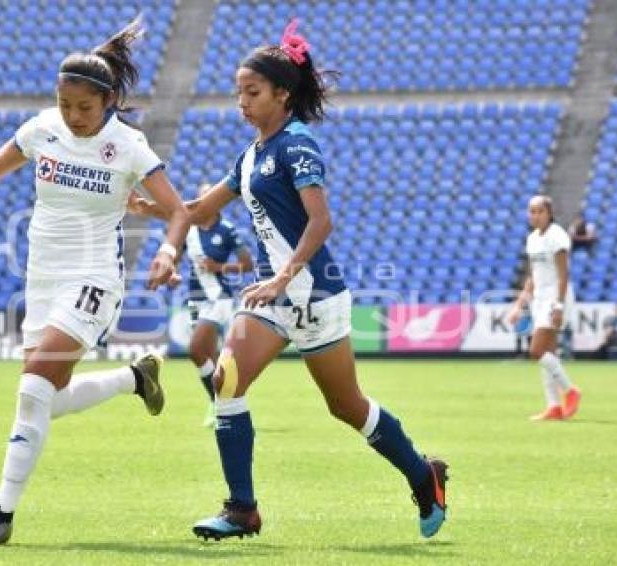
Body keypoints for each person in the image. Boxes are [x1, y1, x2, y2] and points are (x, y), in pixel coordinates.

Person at [130, 20, 448, 540]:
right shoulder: (251, 155)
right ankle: (242, 510)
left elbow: (321, 222)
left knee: (347, 407)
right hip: (269, 297)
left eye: (252, 92)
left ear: (283, 93)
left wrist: (283, 275)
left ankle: (423, 476)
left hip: (314, 294)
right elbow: (200, 210)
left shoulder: (298, 145)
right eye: (238, 93)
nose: (242, 102)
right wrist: (147, 207)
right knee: (225, 379)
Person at [0, 18, 189, 545]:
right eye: (66, 105)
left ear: (107, 101)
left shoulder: (128, 145)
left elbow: (178, 212)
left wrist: (169, 250)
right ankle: (134, 379)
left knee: (34, 385)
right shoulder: (43, 129)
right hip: (41, 278)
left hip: (93, 278)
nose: (74, 116)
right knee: (49, 398)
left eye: (84, 108)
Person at [172, 183, 254, 427]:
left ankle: (217, 403)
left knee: (196, 348)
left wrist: (219, 267)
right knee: (209, 356)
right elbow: (175, 256)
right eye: (201, 198)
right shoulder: (189, 229)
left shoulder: (227, 230)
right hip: (196, 297)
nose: (204, 202)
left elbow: (247, 265)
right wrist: (172, 271)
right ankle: (227, 402)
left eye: (209, 197)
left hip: (219, 297)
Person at [507, 196, 582, 421]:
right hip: (540, 298)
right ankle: (553, 406)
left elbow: (563, 273)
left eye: (539, 211)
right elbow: (533, 275)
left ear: (549, 213)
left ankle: (570, 390)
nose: (535, 215)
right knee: (547, 355)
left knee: (536, 351)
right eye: (531, 211)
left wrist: (558, 305)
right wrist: (519, 304)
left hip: (555, 298)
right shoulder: (532, 239)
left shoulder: (557, 235)